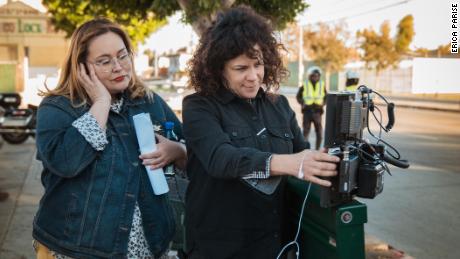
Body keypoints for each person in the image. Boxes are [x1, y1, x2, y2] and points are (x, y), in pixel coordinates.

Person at [182, 6, 340, 259]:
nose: (253, 77)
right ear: (218, 68)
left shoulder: (279, 106)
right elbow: (220, 159)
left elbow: (302, 154)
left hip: (274, 244)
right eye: (241, 68)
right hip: (220, 248)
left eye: (258, 65)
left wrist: (326, 162)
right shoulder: (199, 107)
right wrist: (287, 163)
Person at [32, 18, 187, 259]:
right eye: (104, 61)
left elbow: (193, 153)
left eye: (122, 56)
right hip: (76, 249)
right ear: (81, 67)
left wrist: (178, 151)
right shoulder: (58, 108)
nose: (118, 67)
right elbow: (66, 163)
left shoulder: (147, 100)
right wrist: (102, 102)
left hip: (147, 246)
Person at [296, 66, 327, 150]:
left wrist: (323, 104)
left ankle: (317, 150)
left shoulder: (322, 85)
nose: (315, 77)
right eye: (313, 76)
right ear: (309, 76)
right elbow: (298, 96)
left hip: (317, 112)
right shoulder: (304, 85)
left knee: (319, 133)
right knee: (305, 132)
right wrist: (302, 103)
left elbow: (326, 97)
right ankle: (304, 149)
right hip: (307, 112)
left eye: (317, 76)